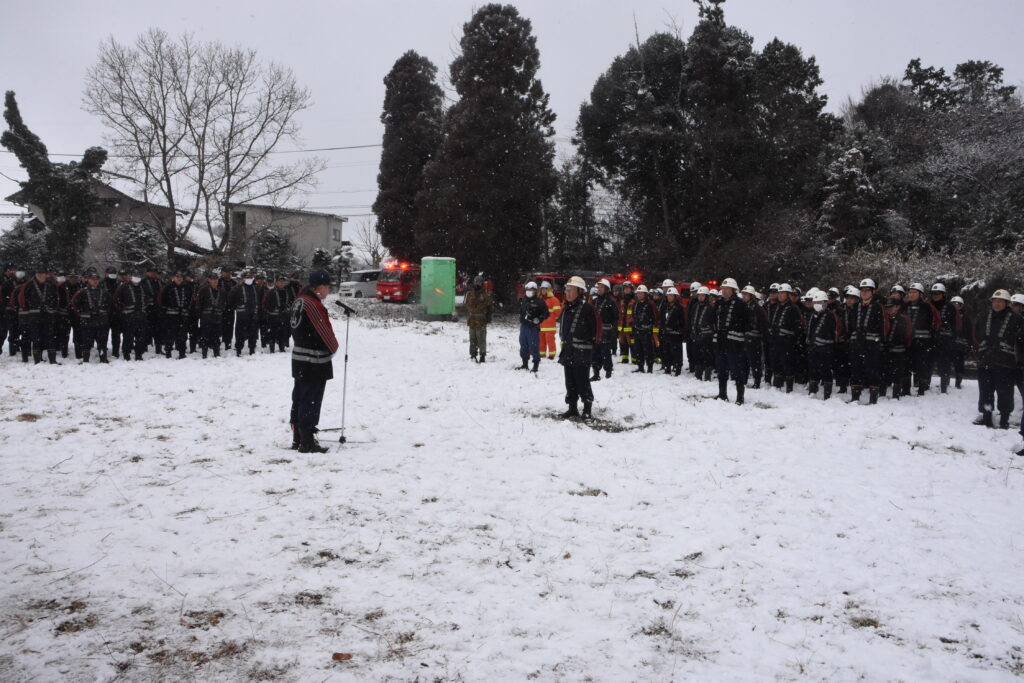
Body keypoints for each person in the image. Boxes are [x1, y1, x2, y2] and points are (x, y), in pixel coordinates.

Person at [289, 271, 339, 453]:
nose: (328, 291)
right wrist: (334, 347)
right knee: (311, 400)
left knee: (299, 398)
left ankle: (298, 437)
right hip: (313, 361)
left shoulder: (299, 300)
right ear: (319, 288)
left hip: (300, 358)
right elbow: (324, 331)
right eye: (327, 287)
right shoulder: (312, 305)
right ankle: (307, 441)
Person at [972, 289, 1023, 430]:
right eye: (995, 301)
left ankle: (1004, 420)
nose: (997, 304)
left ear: (1007, 303)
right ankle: (986, 416)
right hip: (985, 361)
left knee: (1005, 393)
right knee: (985, 391)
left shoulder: (1017, 319)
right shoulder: (984, 317)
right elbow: (976, 334)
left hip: (1006, 363)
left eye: (1001, 301)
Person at [558, 275, 598, 419]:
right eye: (566, 290)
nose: (567, 293)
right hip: (568, 351)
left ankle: (587, 408)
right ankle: (572, 408)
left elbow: (595, 332)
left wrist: (587, 343)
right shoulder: (566, 308)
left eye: (571, 290)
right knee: (570, 381)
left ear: (580, 292)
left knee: (582, 381)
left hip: (582, 352)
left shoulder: (588, 308)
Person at [848, 278, 886, 404]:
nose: (864, 293)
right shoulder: (854, 307)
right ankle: (855, 398)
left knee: (872, 371)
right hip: (856, 345)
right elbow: (850, 326)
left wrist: (880, 343)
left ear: (873, 292)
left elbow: (883, 327)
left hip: (872, 346)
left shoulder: (878, 307)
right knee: (855, 371)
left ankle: (873, 399)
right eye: (862, 290)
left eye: (867, 290)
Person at [714, 278, 749, 403]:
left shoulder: (741, 304)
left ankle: (740, 397)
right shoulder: (719, 303)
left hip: (735, 343)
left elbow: (747, 323)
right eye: (722, 289)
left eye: (726, 289)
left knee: (736, 370)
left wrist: (737, 332)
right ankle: (722, 394)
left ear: (733, 290)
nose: (723, 291)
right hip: (721, 341)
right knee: (721, 369)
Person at [903, 283, 940, 396]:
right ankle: (905, 389)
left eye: (914, 292)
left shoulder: (927, 307)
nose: (911, 295)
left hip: (922, 341)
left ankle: (922, 389)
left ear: (920, 294)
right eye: (910, 292)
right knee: (906, 365)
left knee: (921, 365)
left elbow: (935, 323)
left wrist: (931, 338)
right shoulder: (905, 306)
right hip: (907, 341)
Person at [18, 267, 59, 364]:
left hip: (48, 315)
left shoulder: (51, 285)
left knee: (50, 337)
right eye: (38, 273)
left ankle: (52, 360)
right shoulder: (28, 285)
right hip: (34, 316)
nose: (40, 275)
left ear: (46, 274)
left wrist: (52, 309)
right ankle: (37, 360)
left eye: (42, 273)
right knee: (36, 338)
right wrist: (29, 310)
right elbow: (22, 300)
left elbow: (56, 298)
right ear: (35, 274)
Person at [71, 270, 112, 363]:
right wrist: (81, 313)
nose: (95, 281)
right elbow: (74, 303)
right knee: (86, 342)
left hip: (101, 320)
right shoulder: (82, 292)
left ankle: (103, 358)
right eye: (92, 279)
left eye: (96, 279)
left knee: (102, 341)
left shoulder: (104, 292)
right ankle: (86, 359)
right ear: (88, 280)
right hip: (87, 321)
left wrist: (104, 312)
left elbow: (110, 304)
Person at [768, 283, 800, 392]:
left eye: (783, 293)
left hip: (787, 342)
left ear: (788, 294)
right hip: (775, 340)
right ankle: (777, 386)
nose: (780, 295)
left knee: (787, 364)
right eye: (779, 293)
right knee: (775, 363)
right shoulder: (777, 306)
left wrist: (790, 337)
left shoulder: (793, 308)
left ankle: (789, 388)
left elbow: (797, 327)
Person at [881, 296, 913, 399]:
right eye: (887, 307)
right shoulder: (883, 318)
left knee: (898, 374)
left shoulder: (904, 319)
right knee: (883, 373)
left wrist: (906, 346)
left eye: (891, 306)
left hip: (900, 351)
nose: (889, 309)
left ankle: (896, 395)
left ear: (897, 307)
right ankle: (882, 394)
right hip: (885, 351)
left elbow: (909, 335)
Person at [114, 270, 150, 361]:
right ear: (130, 277)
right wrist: (123, 310)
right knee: (128, 337)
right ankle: (126, 354)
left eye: (138, 276)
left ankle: (139, 354)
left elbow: (148, 299)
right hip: (128, 317)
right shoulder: (123, 287)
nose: (136, 278)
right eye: (134, 276)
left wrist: (144, 308)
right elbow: (116, 300)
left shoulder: (143, 287)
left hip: (141, 316)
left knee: (140, 337)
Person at [517, 281, 548, 372]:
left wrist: (539, 319)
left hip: (533, 327)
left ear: (535, 291)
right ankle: (524, 363)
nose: (530, 291)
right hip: (524, 326)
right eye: (528, 289)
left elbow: (546, 313)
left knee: (534, 346)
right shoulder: (523, 300)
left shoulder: (539, 301)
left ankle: (536, 365)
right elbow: (521, 312)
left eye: (532, 290)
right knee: (523, 345)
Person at [158, 271, 191, 358]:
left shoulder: (187, 288)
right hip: (171, 316)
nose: (179, 278)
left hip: (183, 315)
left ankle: (182, 353)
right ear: (173, 278)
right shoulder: (167, 288)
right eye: (177, 277)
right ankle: (168, 352)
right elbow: (161, 301)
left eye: (181, 277)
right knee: (170, 334)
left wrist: (186, 310)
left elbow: (190, 301)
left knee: (183, 335)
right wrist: (164, 312)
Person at [194, 271, 226, 358]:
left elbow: (224, 303)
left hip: (217, 317)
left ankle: (217, 352)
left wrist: (221, 310)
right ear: (209, 280)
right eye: (213, 279)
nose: (215, 281)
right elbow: (198, 303)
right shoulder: (203, 290)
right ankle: (204, 353)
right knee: (205, 336)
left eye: (216, 279)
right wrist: (200, 314)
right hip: (206, 317)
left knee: (216, 336)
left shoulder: (222, 291)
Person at [741, 285, 768, 388]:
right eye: (743, 294)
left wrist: (762, 336)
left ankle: (757, 382)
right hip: (744, 338)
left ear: (751, 296)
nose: (744, 296)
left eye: (746, 294)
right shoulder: (743, 307)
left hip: (755, 339)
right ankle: (743, 379)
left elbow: (764, 324)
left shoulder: (758, 309)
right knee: (744, 360)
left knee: (755, 361)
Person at [591, 278, 618, 380]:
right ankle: (596, 373)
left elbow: (616, 317)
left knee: (605, 352)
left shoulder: (611, 302)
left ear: (607, 289)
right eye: (598, 287)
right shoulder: (594, 301)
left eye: (601, 287)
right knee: (595, 352)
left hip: (606, 331)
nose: (599, 289)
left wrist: (613, 330)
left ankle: (608, 372)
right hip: (595, 331)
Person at [228, 270, 260, 356]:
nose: (249, 279)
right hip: (242, 314)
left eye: (251, 278)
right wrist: (236, 307)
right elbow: (230, 300)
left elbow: (259, 300)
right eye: (247, 278)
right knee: (240, 333)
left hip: (253, 314)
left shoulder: (255, 288)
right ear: (243, 279)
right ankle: (238, 350)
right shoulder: (237, 288)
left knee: (253, 332)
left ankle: (252, 349)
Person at [464, 275, 494, 362]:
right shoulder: (470, 294)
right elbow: (467, 304)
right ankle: (473, 354)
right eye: (476, 282)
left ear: (482, 284)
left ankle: (482, 355)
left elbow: (490, 307)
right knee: (472, 338)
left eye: (479, 282)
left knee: (481, 339)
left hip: (481, 320)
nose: (478, 284)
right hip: (472, 319)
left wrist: (488, 316)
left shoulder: (485, 295)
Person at [262, 275, 295, 353]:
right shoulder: (271, 292)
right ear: (276, 282)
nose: (281, 283)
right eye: (280, 282)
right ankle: (272, 348)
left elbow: (290, 302)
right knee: (272, 333)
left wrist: (288, 308)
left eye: (283, 282)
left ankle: (282, 347)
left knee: (283, 333)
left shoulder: (287, 292)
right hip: (273, 316)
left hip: (284, 316)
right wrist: (273, 309)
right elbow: (266, 304)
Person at [659, 286, 687, 377]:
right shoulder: (665, 306)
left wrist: (679, 330)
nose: (670, 297)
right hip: (666, 333)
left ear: (675, 297)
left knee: (677, 352)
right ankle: (667, 368)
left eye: (671, 295)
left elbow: (683, 320)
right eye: (668, 295)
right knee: (666, 351)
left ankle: (677, 368)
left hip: (676, 334)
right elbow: (662, 319)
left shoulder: (680, 307)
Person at [631, 284, 658, 373]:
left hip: (647, 331)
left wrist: (652, 326)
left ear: (645, 294)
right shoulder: (635, 304)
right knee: (638, 349)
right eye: (638, 293)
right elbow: (633, 316)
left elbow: (656, 317)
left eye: (641, 293)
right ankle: (640, 366)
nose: (639, 295)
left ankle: (649, 367)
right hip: (637, 330)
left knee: (648, 349)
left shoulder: (651, 304)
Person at [539, 281, 562, 361]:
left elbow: (558, 312)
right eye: (542, 289)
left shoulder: (554, 300)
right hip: (541, 325)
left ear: (549, 290)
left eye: (545, 289)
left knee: (550, 341)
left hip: (550, 325)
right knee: (541, 341)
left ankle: (552, 354)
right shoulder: (540, 299)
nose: (543, 291)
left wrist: (552, 318)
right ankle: (542, 354)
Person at [617, 281, 635, 364]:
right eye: (625, 289)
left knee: (632, 344)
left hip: (631, 327)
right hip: (622, 326)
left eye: (628, 288)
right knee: (622, 343)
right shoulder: (621, 300)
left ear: (631, 289)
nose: (626, 290)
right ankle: (624, 359)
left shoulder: (634, 300)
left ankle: (635, 360)